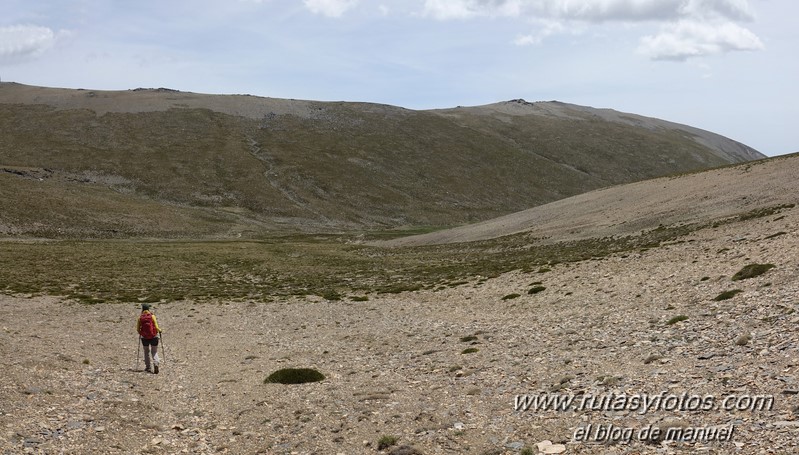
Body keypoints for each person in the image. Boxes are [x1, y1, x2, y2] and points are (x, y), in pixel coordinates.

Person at [137, 304, 162, 374]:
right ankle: (156, 364)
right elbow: (156, 327)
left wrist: (142, 334)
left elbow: (137, 329)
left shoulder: (140, 318)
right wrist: (160, 330)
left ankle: (148, 367)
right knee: (154, 351)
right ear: (148, 309)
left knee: (146, 352)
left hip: (144, 338)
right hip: (154, 336)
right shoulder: (152, 316)